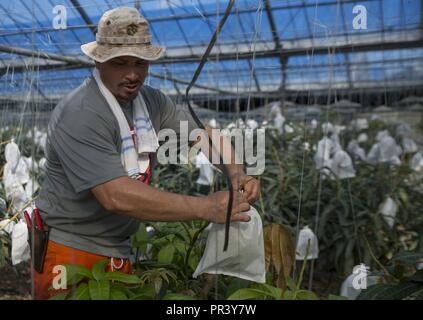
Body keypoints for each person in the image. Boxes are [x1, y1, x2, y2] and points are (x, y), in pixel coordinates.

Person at [33, 7, 260, 300]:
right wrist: (206, 208)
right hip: (69, 250)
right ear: (98, 60)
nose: (132, 74)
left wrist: (236, 171)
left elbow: (203, 137)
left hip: (117, 246)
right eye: (120, 62)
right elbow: (115, 195)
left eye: (140, 63)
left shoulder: (151, 102)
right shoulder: (81, 112)